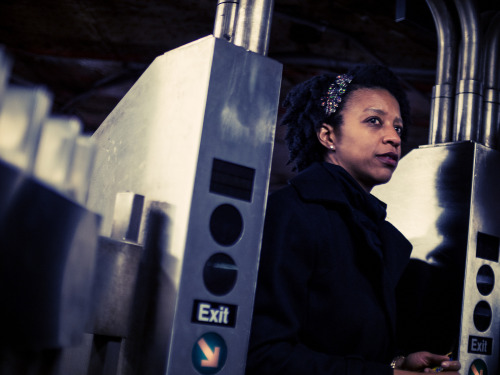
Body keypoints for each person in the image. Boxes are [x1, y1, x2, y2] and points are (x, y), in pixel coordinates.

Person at [245, 65, 461, 375]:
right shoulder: (290, 214)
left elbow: (345, 347)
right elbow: (263, 356)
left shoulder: (378, 232)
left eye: (398, 128)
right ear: (328, 135)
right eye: (374, 121)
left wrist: (398, 363)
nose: (393, 138)